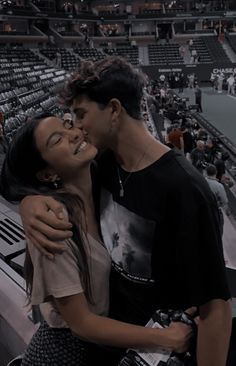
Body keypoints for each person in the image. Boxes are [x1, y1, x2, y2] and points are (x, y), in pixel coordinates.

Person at [19, 57, 231, 366]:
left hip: (155, 352)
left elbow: (216, 309)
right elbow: (36, 174)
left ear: (114, 110)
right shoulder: (102, 165)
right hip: (109, 348)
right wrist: (29, 203)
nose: (77, 129)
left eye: (81, 115)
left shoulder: (185, 188)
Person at [0, 113, 193, 366]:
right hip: (67, 356)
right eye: (58, 139)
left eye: (68, 124)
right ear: (47, 175)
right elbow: (82, 325)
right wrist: (165, 338)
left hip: (99, 347)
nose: (74, 133)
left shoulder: (101, 183)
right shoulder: (53, 227)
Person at [205, 164, 228, 237]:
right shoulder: (219, 186)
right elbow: (225, 201)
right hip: (214, 211)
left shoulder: (201, 181)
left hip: (201, 209)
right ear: (216, 173)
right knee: (218, 230)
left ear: (206, 172)